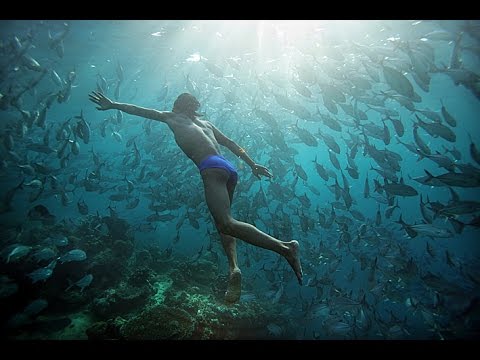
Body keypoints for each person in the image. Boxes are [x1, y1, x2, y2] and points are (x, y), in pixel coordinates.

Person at [88, 91, 303, 303]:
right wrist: (252, 164)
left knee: (227, 223)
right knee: (225, 223)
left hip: (210, 168)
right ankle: (233, 268)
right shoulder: (207, 124)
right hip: (228, 169)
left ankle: (285, 248)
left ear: (177, 105)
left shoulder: (171, 116)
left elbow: (140, 111)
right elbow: (230, 143)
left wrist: (114, 104)